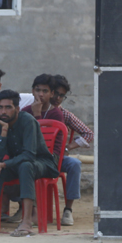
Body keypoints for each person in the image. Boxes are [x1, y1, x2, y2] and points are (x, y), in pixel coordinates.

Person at [0, 90, 59, 238]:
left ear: (17, 109)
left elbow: (29, 155)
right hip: (18, 163)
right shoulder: (0, 123)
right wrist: (4, 131)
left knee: (25, 165)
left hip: (41, 163)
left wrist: (3, 164)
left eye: (8, 107)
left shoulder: (27, 121)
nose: (3, 111)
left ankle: (27, 221)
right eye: (1, 107)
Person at [47, 74, 92, 226]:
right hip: (37, 157)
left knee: (74, 164)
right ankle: (24, 208)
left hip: (57, 159)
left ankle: (68, 209)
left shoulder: (65, 114)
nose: (58, 98)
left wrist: (68, 147)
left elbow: (88, 134)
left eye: (62, 95)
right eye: (55, 93)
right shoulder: (36, 110)